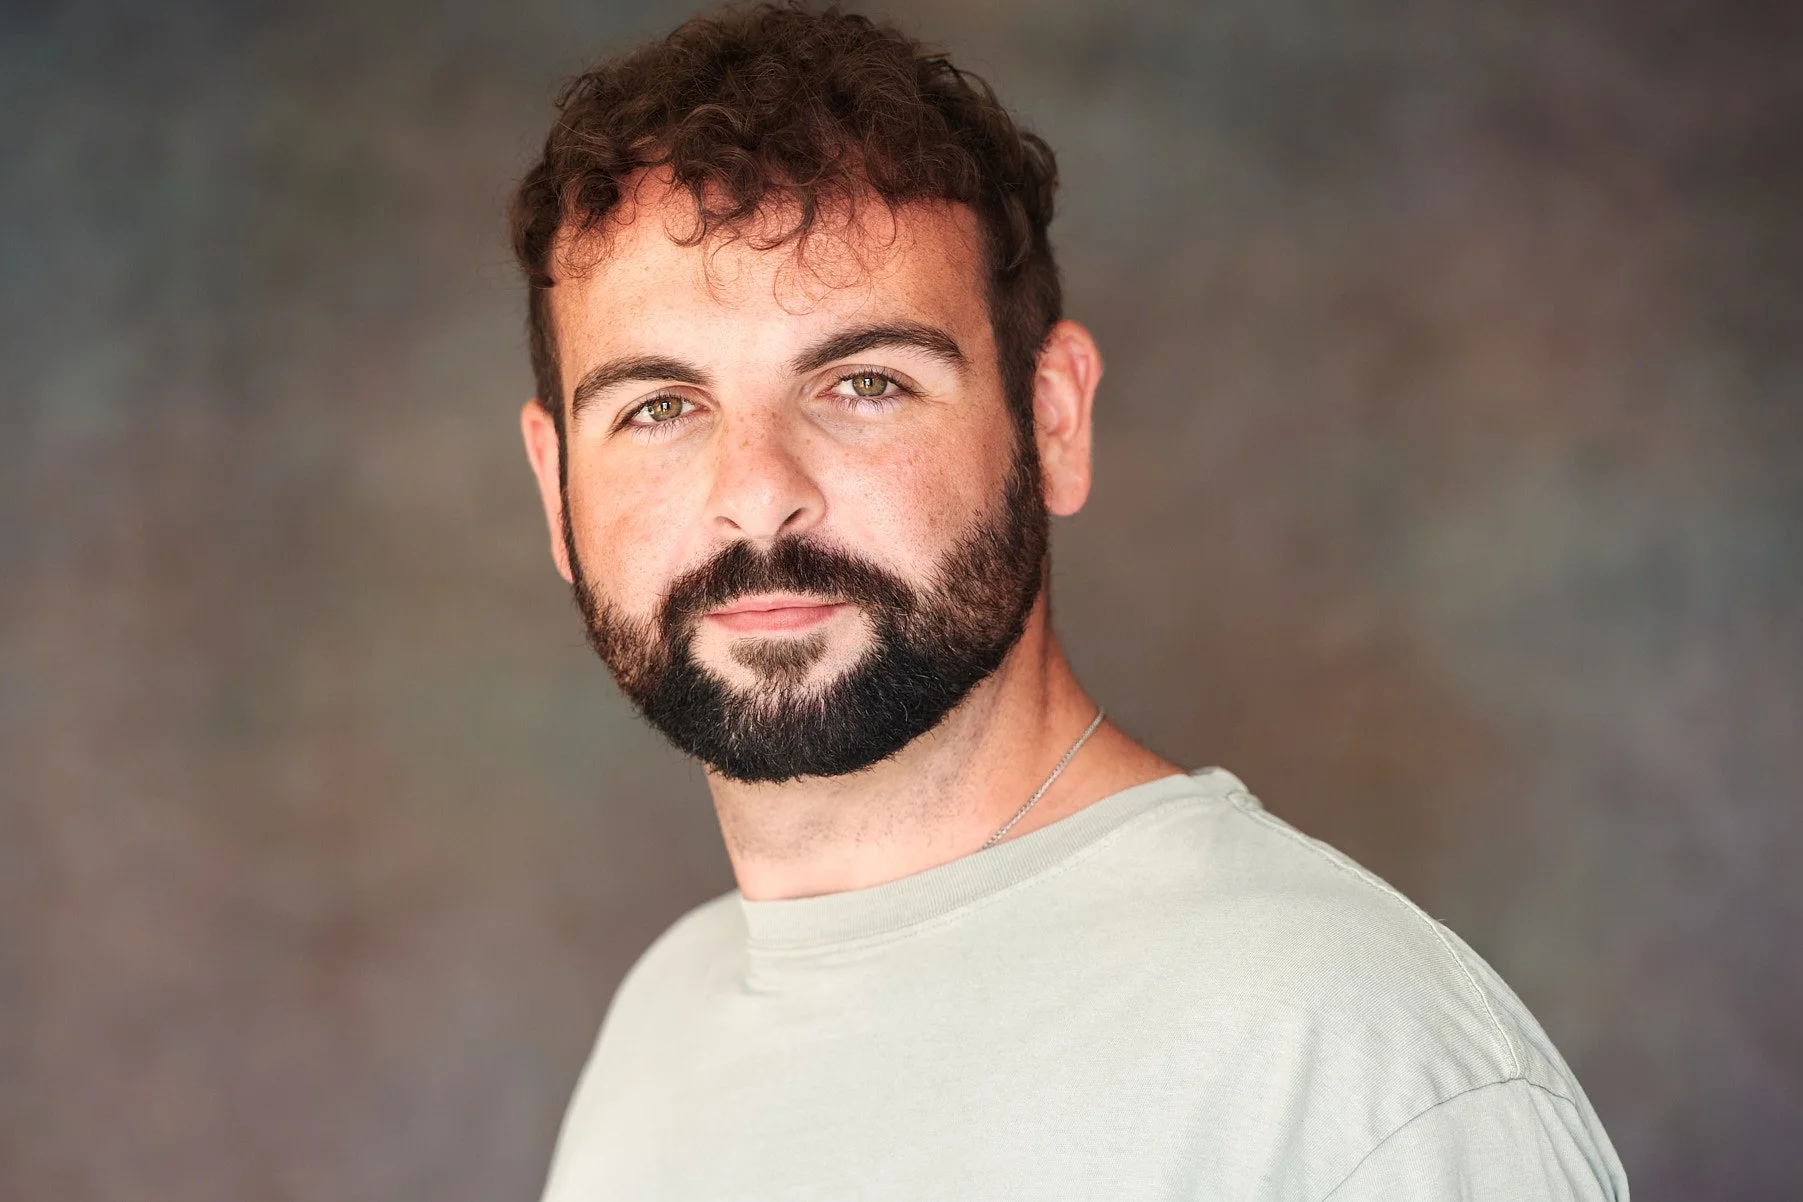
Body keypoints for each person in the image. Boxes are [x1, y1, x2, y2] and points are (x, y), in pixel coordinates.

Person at [510, 5, 1629, 1199]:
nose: (758, 496)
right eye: (659, 407)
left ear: (1052, 420)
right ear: (555, 486)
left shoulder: (1358, 1069)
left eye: (865, 382)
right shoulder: (662, 1024)